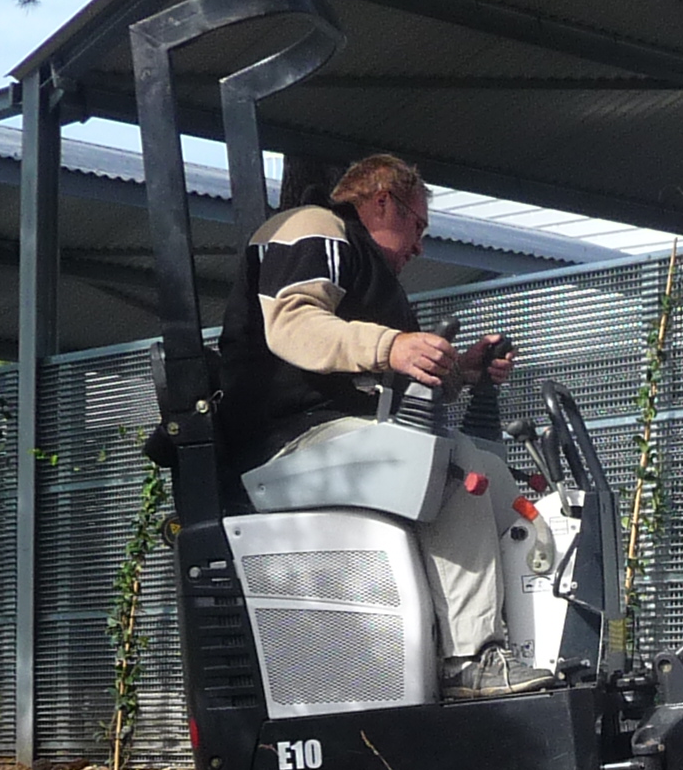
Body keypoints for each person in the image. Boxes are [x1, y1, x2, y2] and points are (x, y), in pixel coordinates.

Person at [222, 153, 538, 694]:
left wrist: (461, 370)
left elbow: (393, 389)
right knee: (452, 473)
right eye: (417, 226)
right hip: (289, 438)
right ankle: (469, 660)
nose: (419, 245)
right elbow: (293, 325)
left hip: (348, 437)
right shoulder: (314, 227)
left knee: (496, 477)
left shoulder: (374, 278)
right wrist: (392, 346)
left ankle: (515, 648)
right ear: (382, 199)